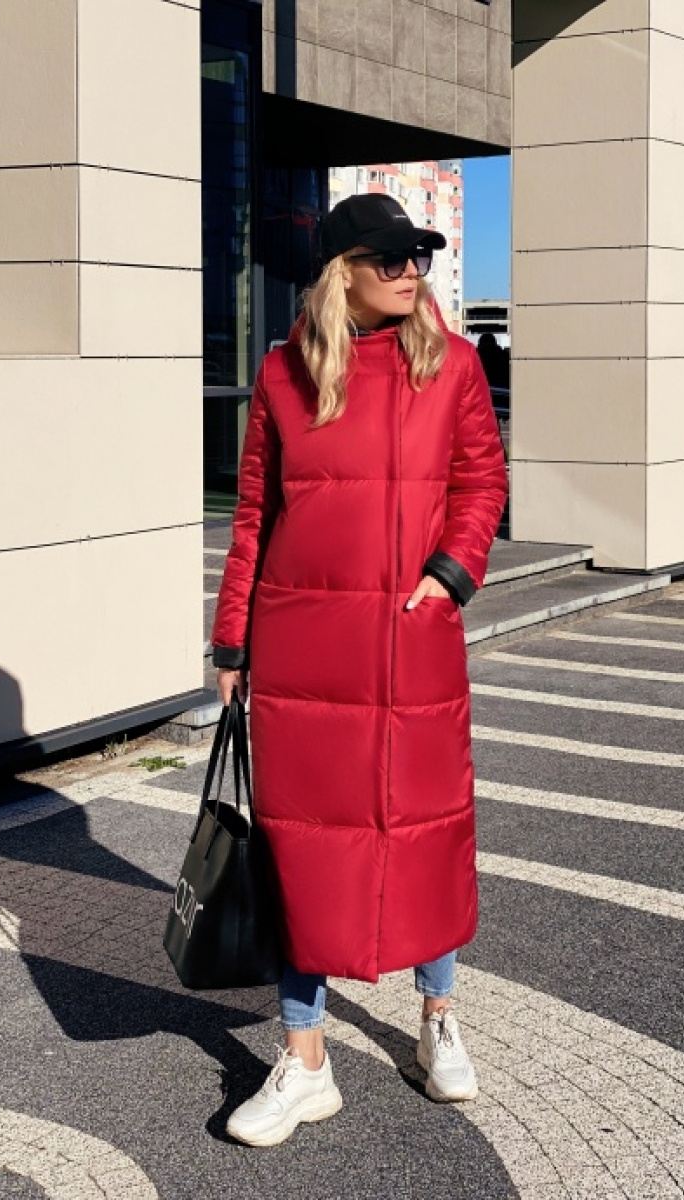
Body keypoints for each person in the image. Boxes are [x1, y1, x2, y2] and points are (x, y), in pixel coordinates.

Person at [211, 193, 509, 1148]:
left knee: (425, 830)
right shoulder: (282, 373)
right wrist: (231, 640)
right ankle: (304, 1060)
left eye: (419, 255)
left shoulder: (453, 364)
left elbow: (482, 481)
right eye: (390, 258)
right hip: (302, 645)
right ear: (343, 272)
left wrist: (450, 575)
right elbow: (255, 514)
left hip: (413, 638)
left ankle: (438, 1017)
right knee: (303, 847)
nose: (410, 271)